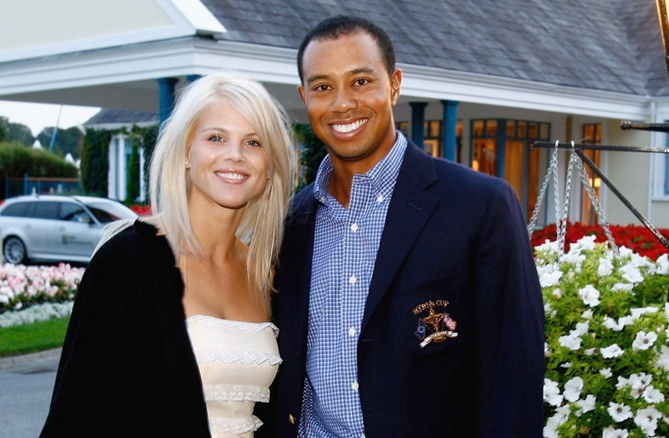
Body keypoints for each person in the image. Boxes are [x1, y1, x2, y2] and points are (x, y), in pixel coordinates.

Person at [258, 15, 546, 437]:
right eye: (323, 87)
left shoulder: (479, 206)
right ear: (305, 97)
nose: (341, 104)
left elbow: (513, 374)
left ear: (394, 84)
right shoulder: (289, 224)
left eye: (360, 81)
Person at [40, 73, 296, 437]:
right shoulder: (127, 261)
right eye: (216, 137)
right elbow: (77, 409)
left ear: (270, 167)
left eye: (253, 142)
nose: (235, 155)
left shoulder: (267, 273)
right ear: (186, 152)